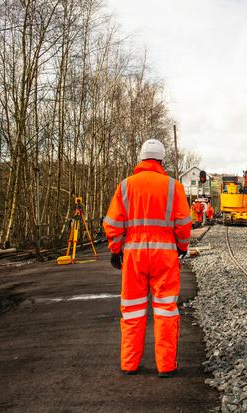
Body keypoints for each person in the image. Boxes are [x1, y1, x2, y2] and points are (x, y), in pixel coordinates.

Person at [103, 138, 192, 378]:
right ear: (162, 160)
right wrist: (182, 246)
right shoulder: (173, 187)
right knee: (165, 309)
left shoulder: (125, 186)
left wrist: (115, 249)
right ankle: (166, 366)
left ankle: (129, 364)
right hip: (165, 256)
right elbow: (184, 222)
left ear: (141, 159)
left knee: (132, 309)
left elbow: (112, 223)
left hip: (133, 256)